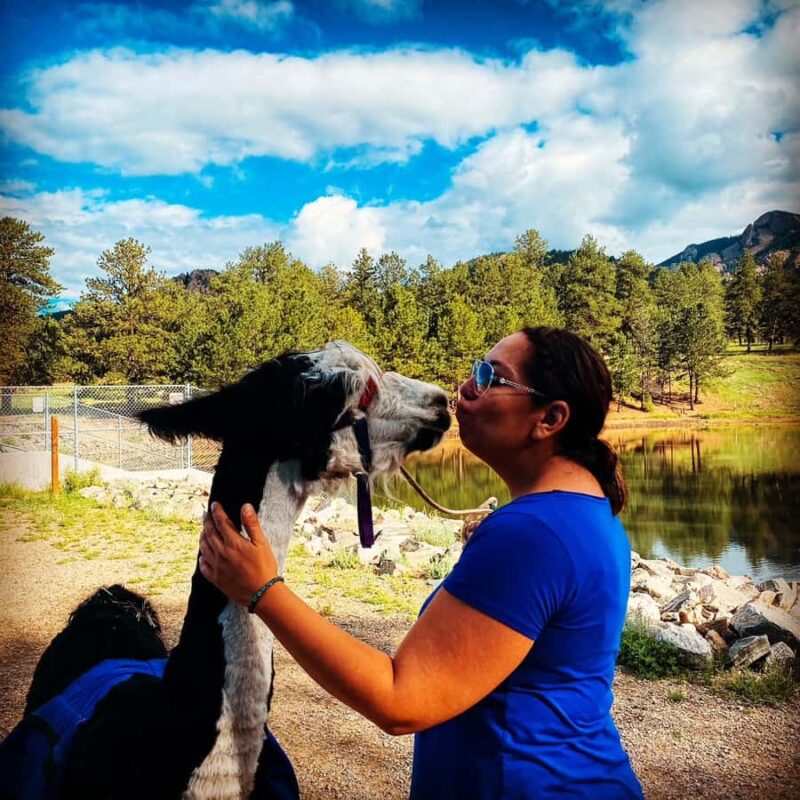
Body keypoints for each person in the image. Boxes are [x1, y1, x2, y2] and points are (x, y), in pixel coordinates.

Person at [199, 326, 644, 799]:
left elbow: (401, 698)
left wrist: (264, 591)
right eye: (477, 368)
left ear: (550, 418)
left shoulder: (537, 533)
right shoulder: (579, 516)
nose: (467, 387)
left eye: (491, 376)